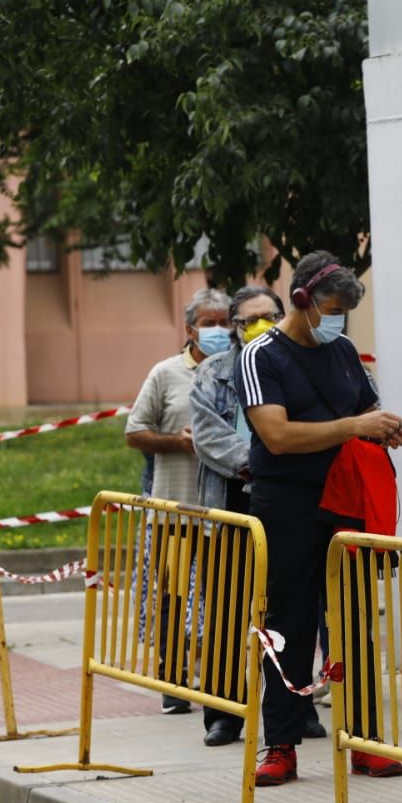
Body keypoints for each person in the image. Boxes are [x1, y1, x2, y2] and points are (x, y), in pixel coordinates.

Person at [239, 252, 402, 786]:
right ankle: (281, 744)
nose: (339, 322)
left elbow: (362, 418)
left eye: (345, 314)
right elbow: (278, 436)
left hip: (346, 502)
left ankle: (363, 739)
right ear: (302, 301)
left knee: (355, 621)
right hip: (286, 503)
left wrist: (384, 430)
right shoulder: (260, 354)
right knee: (287, 623)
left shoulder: (343, 354)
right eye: (332, 310)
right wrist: (355, 424)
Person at [190, 285, 326, 747]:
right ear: (235, 327)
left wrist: (282, 455)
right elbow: (208, 437)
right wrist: (267, 456)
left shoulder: (300, 362)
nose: (260, 326)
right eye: (249, 320)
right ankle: (224, 714)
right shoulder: (213, 373)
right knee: (229, 613)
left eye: (269, 315)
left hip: (292, 503)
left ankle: (298, 705)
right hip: (233, 504)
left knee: (294, 610)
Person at [126, 287, 231, 714]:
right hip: (174, 509)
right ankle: (174, 680)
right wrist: (178, 443)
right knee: (171, 596)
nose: (219, 330)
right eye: (210, 323)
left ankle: (217, 682)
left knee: (219, 596)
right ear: (190, 329)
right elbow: (134, 432)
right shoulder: (166, 373)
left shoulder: (237, 372)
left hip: (222, 511)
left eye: (225, 322)